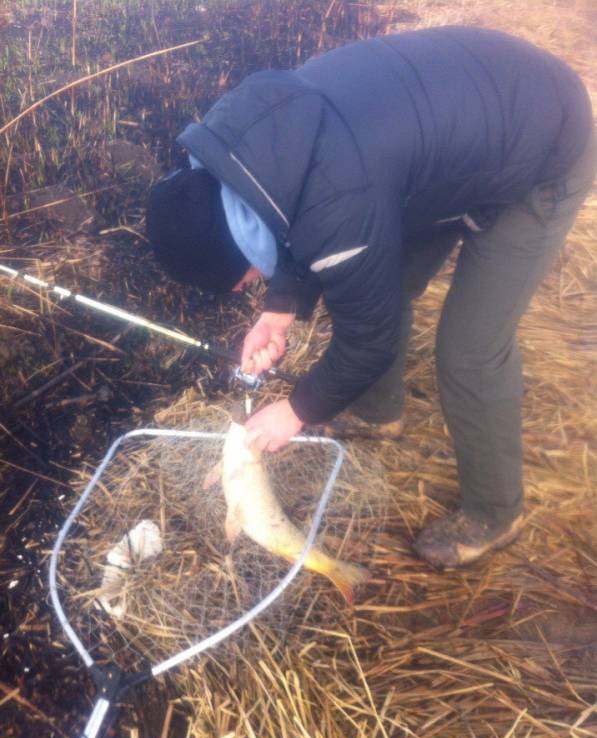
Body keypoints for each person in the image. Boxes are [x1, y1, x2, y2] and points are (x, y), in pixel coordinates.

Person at [146, 26, 595, 568]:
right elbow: (300, 209)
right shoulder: (240, 153)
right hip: (451, 138)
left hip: (541, 144)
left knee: (471, 349)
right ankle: (379, 413)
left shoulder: (341, 200)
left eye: (238, 281)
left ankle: (495, 513)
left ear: (234, 244)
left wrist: (296, 409)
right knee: (388, 285)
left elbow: (369, 335)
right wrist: (279, 306)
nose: (244, 288)